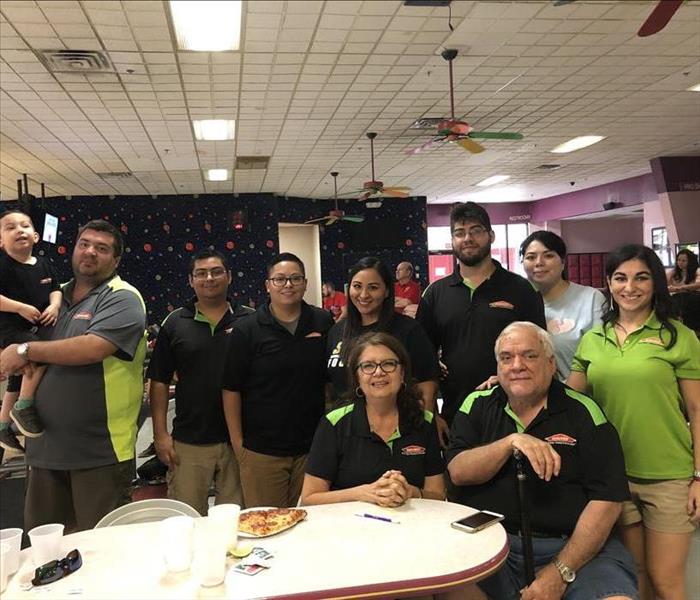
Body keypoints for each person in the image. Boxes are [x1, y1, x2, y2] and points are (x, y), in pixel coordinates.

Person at [447, 322, 637, 600]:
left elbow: (607, 500)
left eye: (529, 355)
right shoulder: (476, 403)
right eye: (506, 358)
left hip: (575, 548)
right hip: (492, 543)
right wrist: (510, 442)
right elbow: (458, 471)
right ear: (497, 367)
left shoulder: (584, 412)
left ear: (551, 363)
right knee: (445, 590)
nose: (517, 365)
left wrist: (560, 571)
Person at [568, 244, 700, 600]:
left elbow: (697, 410)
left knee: (667, 581)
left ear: (656, 282)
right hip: (613, 478)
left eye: (641, 277)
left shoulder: (679, 338)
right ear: (608, 284)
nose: (630, 287)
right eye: (620, 278)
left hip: (669, 476)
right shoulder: (594, 340)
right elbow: (568, 401)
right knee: (634, 575)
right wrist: (508, 381)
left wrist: (699, 478)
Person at [0, 219, 147, 532]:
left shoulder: (122, 297)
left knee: (100, 552)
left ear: (116, 260)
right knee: (47, 551)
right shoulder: (51, 296)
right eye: (84, 244)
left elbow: (93, 347)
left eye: (102, 248)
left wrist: (25, 351)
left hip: (98, 453)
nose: (90, 252)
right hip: (42, 452)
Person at [416, 201, 545, 440]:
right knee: (459, 475)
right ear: (452, 239)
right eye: (459, 233)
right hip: (455, 413)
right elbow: (422, 361)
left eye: (476, 230)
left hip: (515, 410)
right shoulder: (435, 294)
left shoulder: (520, 289)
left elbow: (541, 350)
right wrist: (432, 414)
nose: (468, 238)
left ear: (491, 235)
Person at [222, 253, 334, 508]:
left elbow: (329, 380)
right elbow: (231, 389)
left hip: (312, 449)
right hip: (262, 451)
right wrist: (239, 446)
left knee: (312, 523)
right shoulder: (247, 329)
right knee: (267, 524)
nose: (288, 285)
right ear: (268, 285)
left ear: (305, 284)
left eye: (295, 278)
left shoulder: (322, 321)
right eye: (280, 279)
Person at [146, 249, 253, 515]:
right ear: (191, 280)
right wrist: (160, 435)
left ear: (228, 277)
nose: (209, 278)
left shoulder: (251, 319)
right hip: (189, 441)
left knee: (238, 520)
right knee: (187, 518)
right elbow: (158, 380)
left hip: (241, 441)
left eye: (216, 272)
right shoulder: (175, 323)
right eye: (201, 273)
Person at [302, 332, 445, 506]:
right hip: (349, 527)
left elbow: (438, 496)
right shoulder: (334, 423)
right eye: (368, 366)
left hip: (410, 526)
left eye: (388, 364)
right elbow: (310, 498)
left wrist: (413, 492)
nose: (379, 372)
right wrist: (363, 493)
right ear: (356, 377)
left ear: (402, 373)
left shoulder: (425, 421)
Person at [326, 257, 439, 419]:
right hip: (346, 430)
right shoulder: (336, 332)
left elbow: (426, 383)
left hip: (399, 426)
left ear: (386, 291)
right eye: (357, 286)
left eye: (373, 287)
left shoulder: (408, 330)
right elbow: (330, 386)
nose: (364, 295)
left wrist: (426, 424)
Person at [0, 210, 62, 452]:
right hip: (9, 328)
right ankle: (24, 405)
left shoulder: (44, 263)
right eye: (10, 227)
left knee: (19, 374)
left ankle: (3, 424)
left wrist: (55, 305)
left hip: (34, 326)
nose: (19, 230)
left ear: (36, 236)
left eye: (24, 225)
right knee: (42, 353)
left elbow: (56, 288)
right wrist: (20, 308)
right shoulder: (3, 264)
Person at [520, 230, 605, 380]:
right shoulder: (518, 303)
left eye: (548, 255)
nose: (539, 262)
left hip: (581, 396)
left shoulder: (591, 299)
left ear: (563, 262)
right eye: (531, 257)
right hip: (532, 398)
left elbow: (600, 357)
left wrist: (568, 396)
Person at [668, 248, 700, 333]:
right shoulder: (674, 272)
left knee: (682, 297)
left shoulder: (697, 270)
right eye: (678, 260)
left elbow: (698, 285)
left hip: (695, 298)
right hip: (679, 299)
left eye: (683, 260)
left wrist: (679, 288)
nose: (680, 263)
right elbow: (662, 281)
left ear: (690, 261)